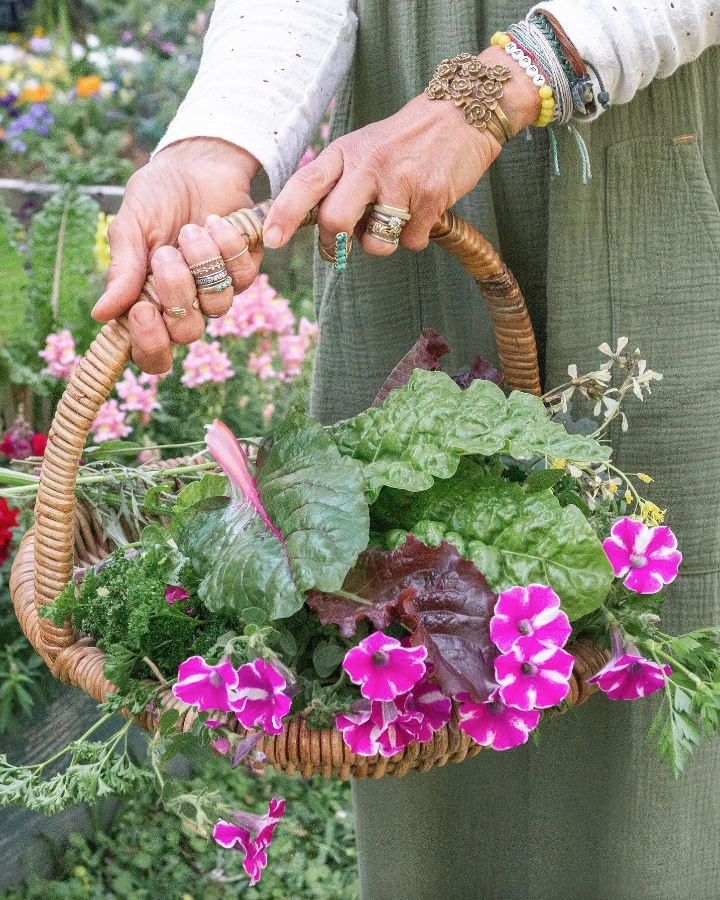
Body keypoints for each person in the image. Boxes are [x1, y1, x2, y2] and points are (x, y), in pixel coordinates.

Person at [93, 2, 720, 897]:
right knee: (429, 756)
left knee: (657, 706)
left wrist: (499, 84)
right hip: (401, 178)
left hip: (651, 139)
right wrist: (218, 145)